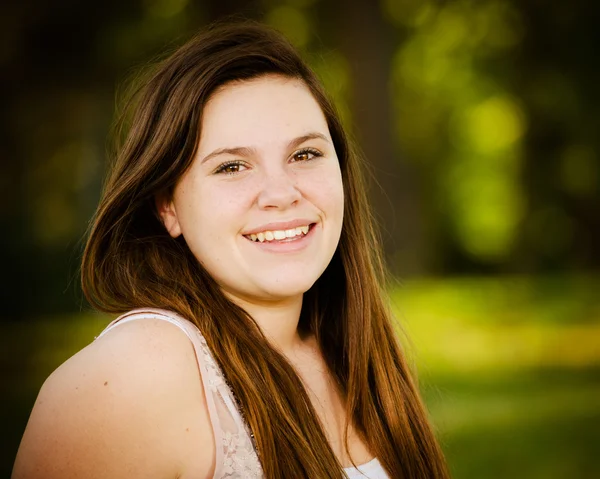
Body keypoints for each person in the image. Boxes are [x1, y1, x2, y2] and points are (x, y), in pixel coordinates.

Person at [13, 21, 450, 479]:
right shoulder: (132, 377)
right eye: (232, 166)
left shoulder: (356, 354)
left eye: (304, 155)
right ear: (168, 208)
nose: (281, 193)